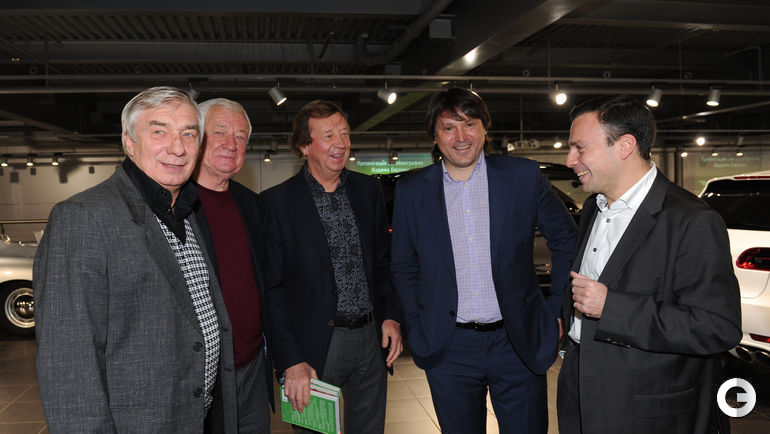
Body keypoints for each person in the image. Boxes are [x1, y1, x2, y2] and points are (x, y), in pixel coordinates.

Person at [34, 87, 238, 432]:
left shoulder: (184, 210)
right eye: (159, 132)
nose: (178, 148)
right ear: (129, 142)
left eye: (189, 134)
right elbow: (69, 362)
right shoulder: (83, 217)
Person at [391, 87, 577, 433]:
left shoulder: (522, 177)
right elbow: (403, 265)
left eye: (470, 124)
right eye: (449, 127)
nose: (461, 137)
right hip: (450, 347)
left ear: (485, 128)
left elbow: (567, 240)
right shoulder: (412, 191)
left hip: (517, 341)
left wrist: (555, 310)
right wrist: (417, 324)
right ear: (434, 135)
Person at [557, 94, 742, 433]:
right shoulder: (594, 208)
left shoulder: (692, 220)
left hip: (645, 410)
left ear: (625, 146)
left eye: (579, 148)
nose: (570, 160)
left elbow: (717, 328)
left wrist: (611, 307)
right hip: (579, 392)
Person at [262, 99, 403, 433]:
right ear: (304, 146)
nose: (341, 143)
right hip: (313, 345)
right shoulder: (276, 203)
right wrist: (290, 360)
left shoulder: (367, 190)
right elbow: (272, 290)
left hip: (370, 340)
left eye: (344, 133)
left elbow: (382, 263)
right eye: (328, 136)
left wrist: (391, 316)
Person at [193, 98, 273, 433]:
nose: (231, 144)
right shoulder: (176, 206)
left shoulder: (252, 204)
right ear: (196, 138)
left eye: (241, 137)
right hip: (204, 375)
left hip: (253, 365)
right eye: (220, 132)